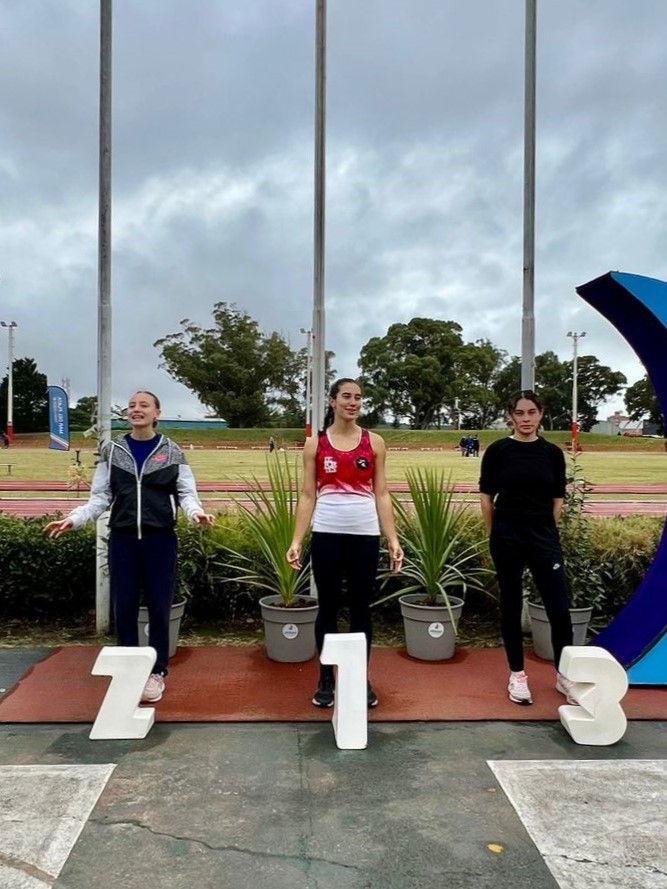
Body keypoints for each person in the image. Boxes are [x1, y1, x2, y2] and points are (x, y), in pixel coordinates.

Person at [44, 391, 214, 702]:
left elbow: (186, 494)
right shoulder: (113, 451)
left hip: (160, 540)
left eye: (144, 405)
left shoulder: (172, 452)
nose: (136, 409)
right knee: (123, 606)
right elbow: (100, 498)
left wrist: (195, 513)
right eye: (132, 406)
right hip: (122, 540)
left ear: (157, 413)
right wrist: (74, 519)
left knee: (160, 607)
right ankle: (127, 669)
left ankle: (157, 672)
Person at [286, 377, 404, 709]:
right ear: (332, 401)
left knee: (360, 609)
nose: (353, 402)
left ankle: (358, 677)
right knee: (328, 607)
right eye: (346, 397)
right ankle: (325, 677)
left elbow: (382, 493)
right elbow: (308, 495)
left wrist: (392, 539)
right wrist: (297, 539)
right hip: (326, 535)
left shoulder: (375, 442)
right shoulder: (316, 444)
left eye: (358, 398)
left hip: (365, 536)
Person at [479, 390, 574, 706]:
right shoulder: (498, 451)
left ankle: (564, 675)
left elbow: (558, 498)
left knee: (558, 607)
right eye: (519, 413)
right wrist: (495, 534)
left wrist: (546, 529)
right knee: (510, 604)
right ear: (510, 415)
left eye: (531, 412)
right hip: (506, 535)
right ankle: (517, 674)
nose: (525, 419)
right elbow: (486, 496)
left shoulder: (552, 454)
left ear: (541, 414)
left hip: (542, 536)